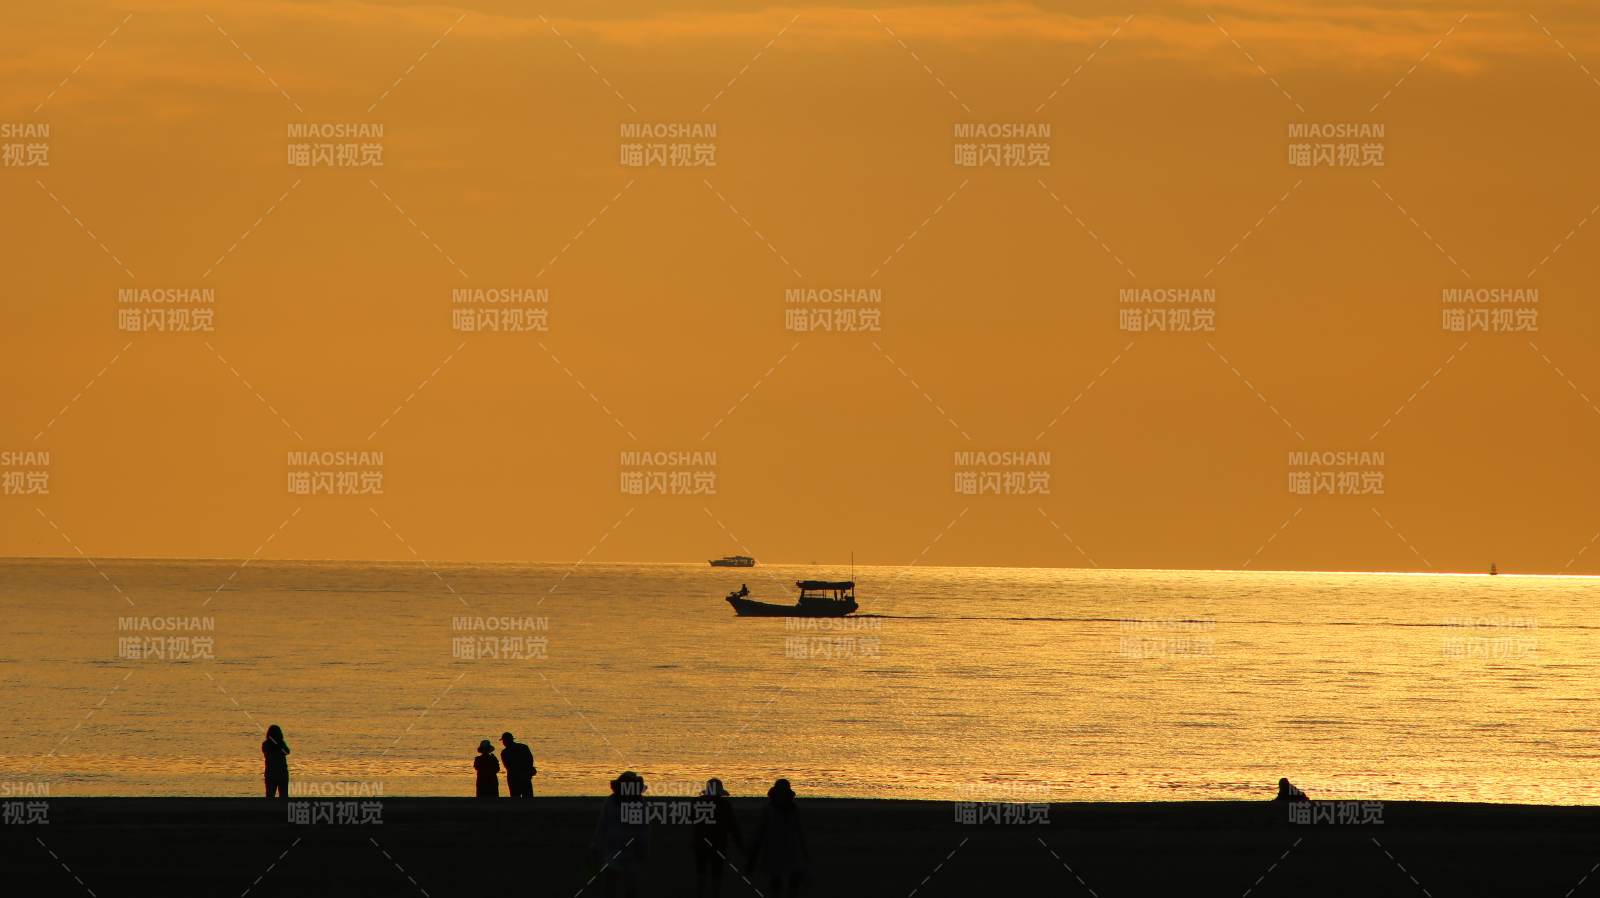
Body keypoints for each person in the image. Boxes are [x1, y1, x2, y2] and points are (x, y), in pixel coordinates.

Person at [592, 771, 650, 897]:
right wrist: (643, 848)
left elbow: (602, 825)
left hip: (618, 848)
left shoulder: (611, 801)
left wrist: (596, 846)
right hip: (623, 848)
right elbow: (642, 829)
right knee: (626, 885)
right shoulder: (638, 803)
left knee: (616, 884)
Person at [747, 778, 807, 896]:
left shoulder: (774, 808)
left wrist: (753, 853)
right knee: (785, 879)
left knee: (781, 879)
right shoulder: (790, 808)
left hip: (780, 847)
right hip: (784, 847)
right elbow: (800, 831)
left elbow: (760, 831)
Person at [693, 778, 743, 898]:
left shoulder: (698, 802)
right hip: (719, 842)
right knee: (717, 871)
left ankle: (700, 893)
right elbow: (732, 825)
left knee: (701, 871)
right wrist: (739, 842)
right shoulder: (725, 804)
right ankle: (715, 894)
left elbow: (692, 819)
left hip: (701, 841)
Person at [500, 732, 535, 798]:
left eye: (503, 741)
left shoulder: (504, 752)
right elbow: (530, 760)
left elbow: (507, 766)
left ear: (505, 741)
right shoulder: (524, 747)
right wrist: (528, 771)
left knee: (515, 798)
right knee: (528, 798)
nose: (503, 743)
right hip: (525, 776)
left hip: (513, 778)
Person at [261, 725, 290, 798]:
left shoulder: (266, 744)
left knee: (270, 796)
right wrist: (279, 745)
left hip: (272, 773)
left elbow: (287, 752)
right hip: (280, 773)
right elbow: (286, 752)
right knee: (282, 796)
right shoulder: (276, 744)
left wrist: (279, 745)